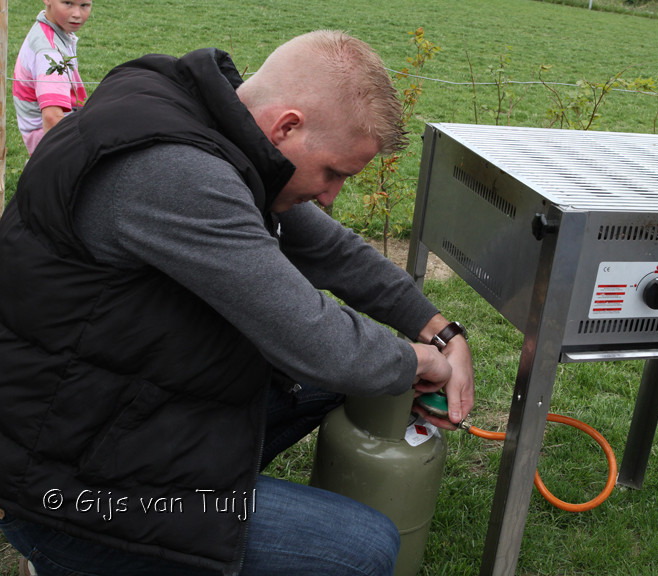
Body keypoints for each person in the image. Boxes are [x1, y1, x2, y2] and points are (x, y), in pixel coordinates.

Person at [0, 30, 475, 576]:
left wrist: (441, 330)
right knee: (364, 547)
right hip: (62, 487)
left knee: (341, 380)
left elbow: (329, 250)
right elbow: (313, 337)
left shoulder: (212, 125)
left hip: (112, 399)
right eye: (333, 173)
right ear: (287, 127)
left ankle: (208, 501)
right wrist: (420, 360)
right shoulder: (177, 172)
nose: (330, 196)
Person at [13, 0, 92, 155]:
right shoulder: (50, 52)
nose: (77, 14)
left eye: (84, 5)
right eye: (68, 3)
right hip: (55, 146)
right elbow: (52, 118)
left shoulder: (47, 30)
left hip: (55, 137)